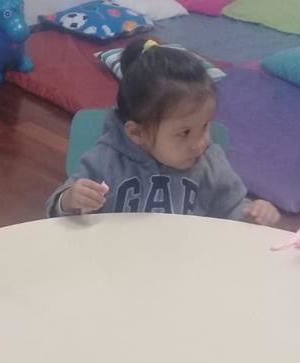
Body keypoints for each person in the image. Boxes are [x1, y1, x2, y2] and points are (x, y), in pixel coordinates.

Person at [47, 39, 281, 226]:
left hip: (187, 262)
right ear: (136, 133)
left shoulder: (210, 163)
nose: (200, 143)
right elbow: (57, 212)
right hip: (118, 262)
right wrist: (69, 201)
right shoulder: (105, 161)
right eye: (184, 133)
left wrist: (252, 214)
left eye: (205, 126)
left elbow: (232, 209)